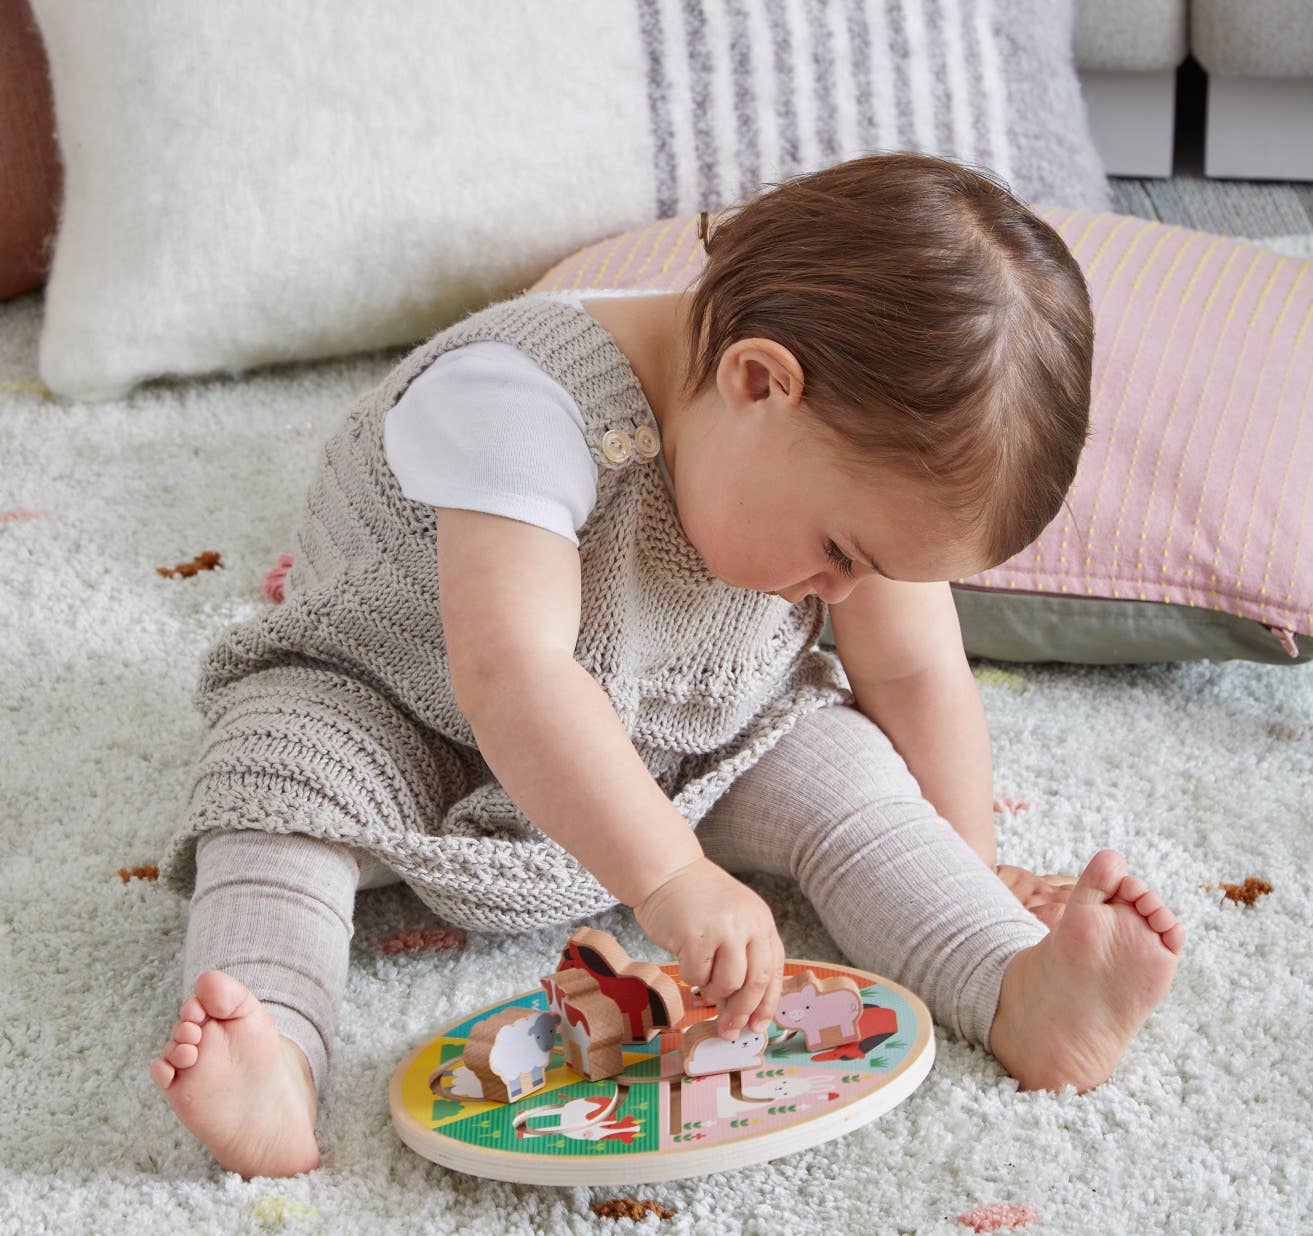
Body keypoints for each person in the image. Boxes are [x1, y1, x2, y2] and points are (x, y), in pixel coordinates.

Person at [148, 152, 1184, 1179]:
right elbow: (512, 673)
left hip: (682, 723)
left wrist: (971, 865)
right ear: (755, 381)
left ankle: (1012, 988)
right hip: (399, 705)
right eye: (839, 557)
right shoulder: (519, 401)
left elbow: (913, 676)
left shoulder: (830, 458)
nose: (844, 598)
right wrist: (672, 879)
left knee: (851, 776)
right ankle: (274, 1051)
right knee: (273, 785)